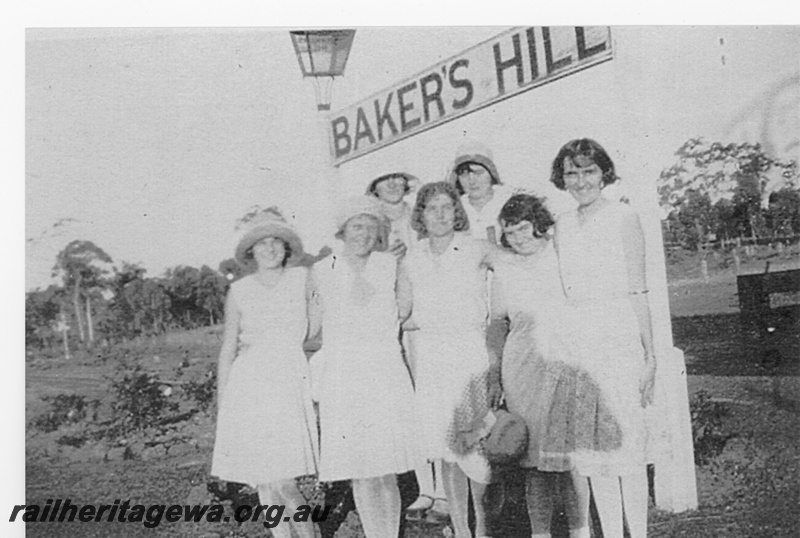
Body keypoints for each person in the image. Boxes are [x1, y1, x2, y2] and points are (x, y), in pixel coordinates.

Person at [550, 139, 657, 538]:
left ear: (604, 173)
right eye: (572, 173)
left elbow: (638, 289)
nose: (580, 181)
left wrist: (650, 355)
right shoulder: (560, 224)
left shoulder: (624, 217)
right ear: (562, 179)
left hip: (618, 333)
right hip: (579, 340)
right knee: (593, 452)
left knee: (626, 443)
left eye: (588, 171)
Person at [312, 195, 423, 538]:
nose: (363, 232)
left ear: (379, 231)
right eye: (356, 225)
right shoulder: (321, 269)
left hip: (383, 371)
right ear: (342, 230)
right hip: (344, 374)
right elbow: (312, 326)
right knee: (359, 468)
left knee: (386, 468)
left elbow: (406, 311)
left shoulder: (391, 265)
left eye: (370, 226)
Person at [211, 208, 319, 538]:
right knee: (265, 479)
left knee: (285, 480)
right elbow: (228, 349)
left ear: (286, 248)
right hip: (250, 385)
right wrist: (223, 400)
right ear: (251, 252)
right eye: (262, 244)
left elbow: (315, 329)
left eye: (276, 242)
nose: (270, 249)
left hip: (288, 379)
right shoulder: (239, 291)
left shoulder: (303, 278)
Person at [487, 194, 591, 538]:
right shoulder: (504, 267)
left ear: (539, 224)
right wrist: (495, 371)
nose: (518, 238)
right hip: (522, 366)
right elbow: (498, 322)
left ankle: (581, 532)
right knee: (533, 463)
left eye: (524, 228)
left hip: (563, 360)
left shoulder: (560, 252)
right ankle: (540, 533)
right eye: (510, 232)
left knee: (569, 460)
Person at [405, 181, 500, 538]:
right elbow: (401, 310)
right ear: (421, 215)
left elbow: (515, 266)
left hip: (469, 352)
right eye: (432, 208)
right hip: (431, 356)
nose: (441, 214)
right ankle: (461, 530)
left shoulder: (476, 248)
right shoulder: (412, 257)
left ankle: (485, 528)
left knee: (475, 448)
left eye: (447, 206)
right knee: (447, 449)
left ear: (457, 211)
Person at [366, 171, 448, 516]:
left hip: (427, 316)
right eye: (384, 180)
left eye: (398, 179)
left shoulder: (422, 213)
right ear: (375, 186)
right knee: (407, 403)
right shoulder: (369, 221)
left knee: (435, 398)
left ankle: (444, 487)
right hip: (390, 318)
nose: (393, 186)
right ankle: (423, 485)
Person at [447, 141, 513, 244]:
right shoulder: (453, 208)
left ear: (491, 174)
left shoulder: (509, 200)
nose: (472, 181)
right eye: (464, 175)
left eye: (478, 173)